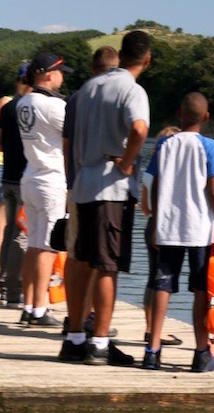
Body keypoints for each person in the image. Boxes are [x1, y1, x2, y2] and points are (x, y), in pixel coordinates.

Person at [67, 31, 151, 366]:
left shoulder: (88, 88)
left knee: (81, 261)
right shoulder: (132, 89)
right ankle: (100, 343)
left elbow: (69, 138)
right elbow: (140, 129)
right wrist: (128, 163)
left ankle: (74, 338)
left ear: (120, 52)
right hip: (110, 187)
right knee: (107, 265)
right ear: (147, 59)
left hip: (83, 183)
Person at [143, 92, 214, 371]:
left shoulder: (165, 144)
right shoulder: (210, 146)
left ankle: (152, 351)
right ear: (206, 117)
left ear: (180, 113)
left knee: (162, 285)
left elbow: (155, 184)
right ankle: (201, 353)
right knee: (201, 291)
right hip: (199, 230)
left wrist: (156, 221)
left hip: (168, 226)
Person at [59, 46, 120, 359]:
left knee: (76, 255)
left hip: (76, 184)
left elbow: (66, 143)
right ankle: (89, 324)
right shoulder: (113, 96)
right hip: (102, 187)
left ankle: (76, 321)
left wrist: (70, 177)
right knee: (100, 259)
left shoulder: (76, 97)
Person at [16, 53, 72, 326]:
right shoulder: (53, 107)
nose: (63, 78)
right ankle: (40, 308)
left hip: (31, 175)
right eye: (61, 73)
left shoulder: (24, 102)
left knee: (35, 245)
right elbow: (75, 136)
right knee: (48, 247)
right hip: (51, 179)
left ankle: (28, 304)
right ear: (49, 74)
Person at [140, 125, 182, 346]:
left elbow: (144, 207)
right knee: (164, 281)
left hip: (150, 225)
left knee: (151, 279)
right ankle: (156, 332)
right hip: (166, 228)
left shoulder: (148, 172)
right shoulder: (170, 173)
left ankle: (149, 328)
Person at [0, 63, 31, 308]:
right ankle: (12, 292)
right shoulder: (27, 108)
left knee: (10, 231)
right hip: (23, 178)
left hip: (7, 177)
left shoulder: (8, 107)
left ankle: (3, 284)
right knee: (20, 235)